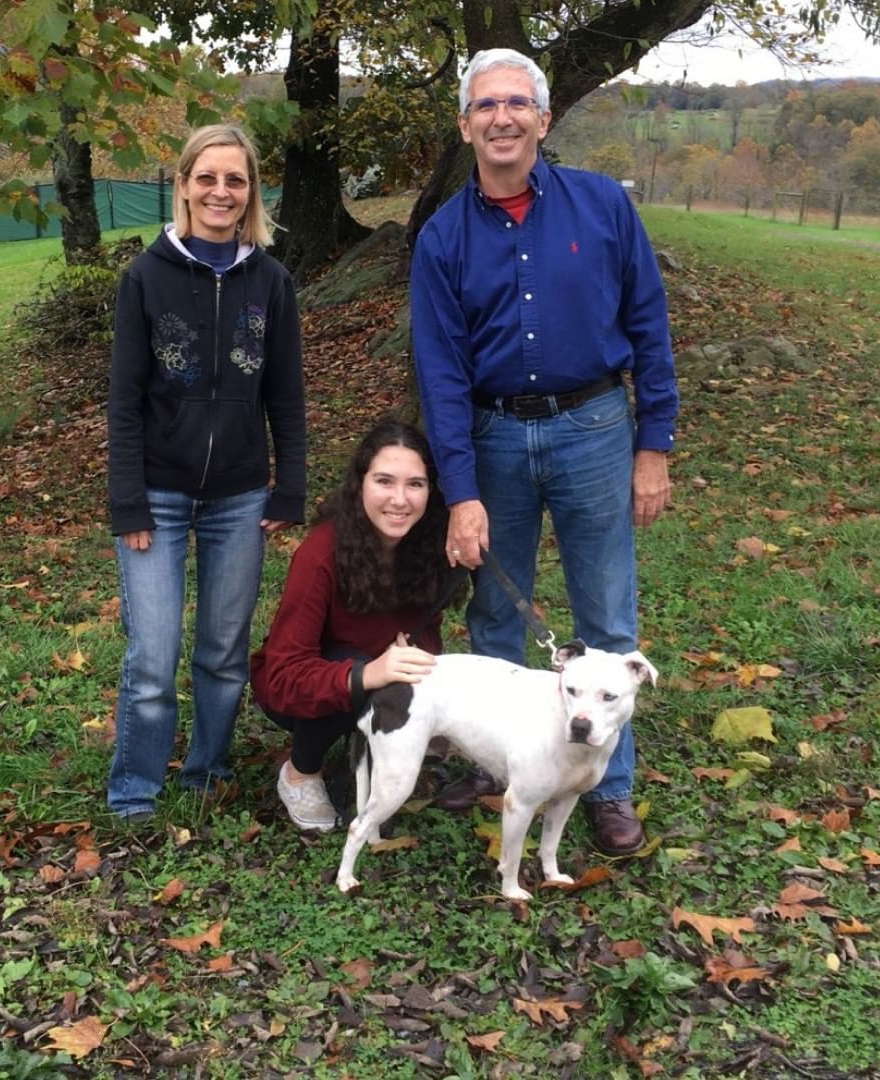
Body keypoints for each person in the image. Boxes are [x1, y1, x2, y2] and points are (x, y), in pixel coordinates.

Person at [409, 48, 679, 855]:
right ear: (465, 125)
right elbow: (440, 374)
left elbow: (649, 327)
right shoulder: (442, 239)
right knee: (496, 605)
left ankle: (609, 785)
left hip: (595, 426)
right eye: (485, 106)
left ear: (543, 118)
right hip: (492, 434)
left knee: (606, 612)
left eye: (516, 104)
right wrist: (460, 491)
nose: (502, 118)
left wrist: (653, 444)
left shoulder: (601, 207)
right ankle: (502, 766)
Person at [106, 123, 306, 822]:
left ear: (250, 192)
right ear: (185, 183)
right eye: (208, 178)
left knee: (223, 652)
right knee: (152, 658)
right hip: (156, 496)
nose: (221, 192)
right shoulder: (145, 276)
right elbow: (124, 399)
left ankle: (207, 770)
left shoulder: (271, 281)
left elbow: (286, 393)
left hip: (240, 496)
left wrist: (290, 485)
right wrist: (127, 501)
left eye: (236, 180)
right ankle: (135, 787)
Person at [250, 419, 458, 831]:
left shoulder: (428, 546)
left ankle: (376, 748)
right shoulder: (322, 553)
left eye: (415, 484)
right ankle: (300, 772)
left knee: (407, 671)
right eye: (384, 481)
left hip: (380, 677)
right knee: (357, 664)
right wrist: (367, 673)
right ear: (360, 483)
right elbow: (283, 675)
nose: (400, 500)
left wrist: (416, 655)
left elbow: (428, 630)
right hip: (301, 689)